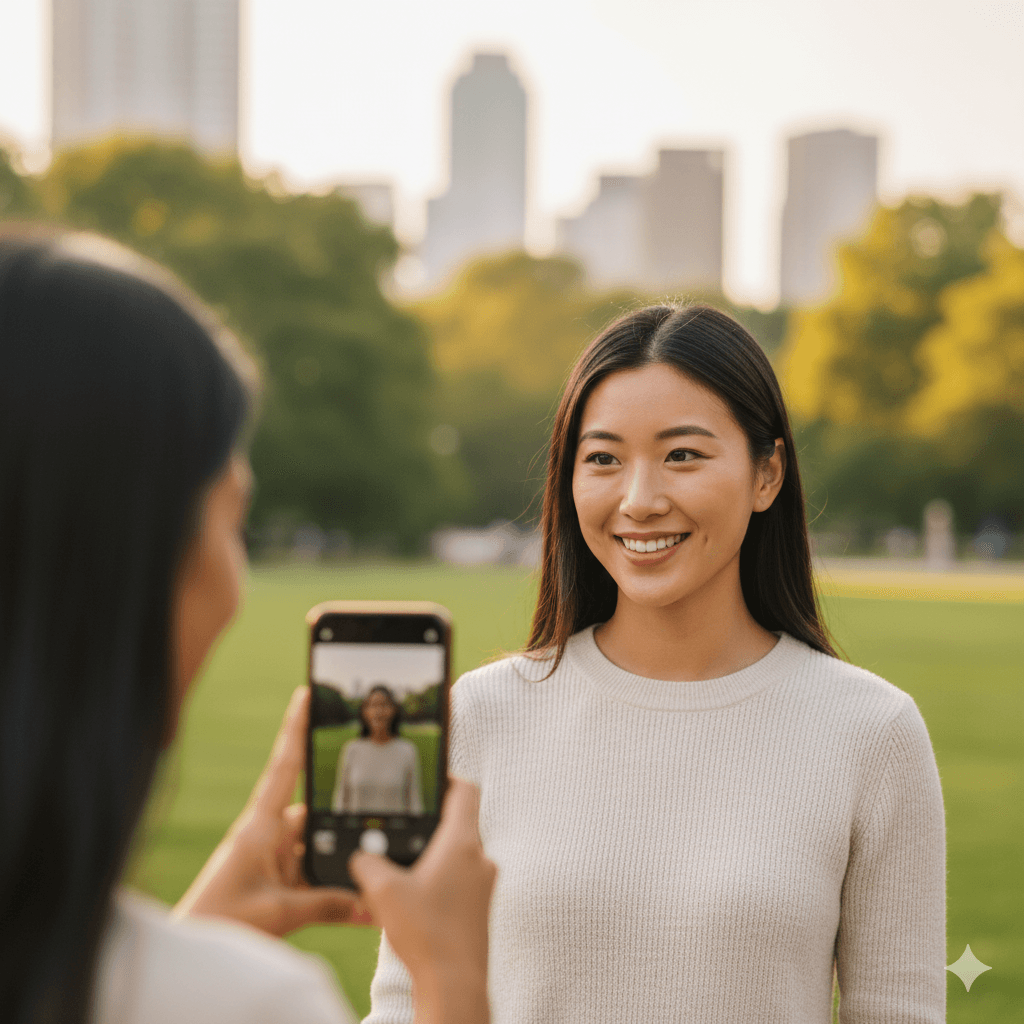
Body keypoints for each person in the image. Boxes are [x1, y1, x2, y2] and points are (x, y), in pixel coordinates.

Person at [366, 304, 947, 1023]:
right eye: (603, 458)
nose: (639, 501)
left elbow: (899, 1011)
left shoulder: (871, 731)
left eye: (683, 455)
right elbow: (406, 1002)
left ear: (768, 474)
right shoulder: (477, 717)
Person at [0, 226, 495, 1024]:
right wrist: (451, 982)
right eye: (231, 515)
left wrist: (189, 937)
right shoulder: (255, 1003)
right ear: (136, 565)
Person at [332, 685, 424, 814]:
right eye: (373, 705)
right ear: (364, 712)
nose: (378, 711)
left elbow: (414, 801)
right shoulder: (351, 749)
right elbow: (341, 799)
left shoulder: (407, 750)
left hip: (396, 832)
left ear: (394, 710)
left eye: (384, 705)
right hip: (356, 831)